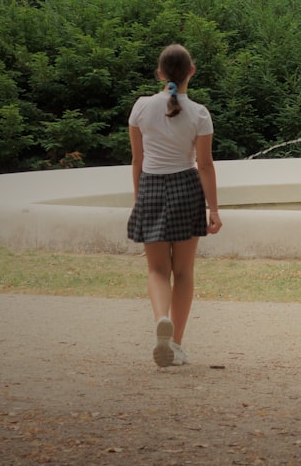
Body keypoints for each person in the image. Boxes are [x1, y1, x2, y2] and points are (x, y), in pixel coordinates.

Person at [127, 44, 222, 367]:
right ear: (192, 72)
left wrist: (140, 199)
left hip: (151, 186)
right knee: (183, 271)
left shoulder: (141, 107)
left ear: (160, 74)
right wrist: (215, 209)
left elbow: (137, 160)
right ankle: (177, 344)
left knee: (156, 269)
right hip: (186, 188)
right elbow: (205, 165)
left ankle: (160, 320)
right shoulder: (199, 113)